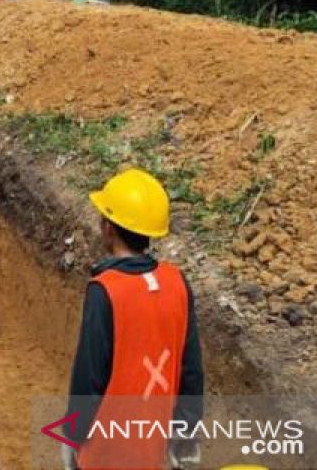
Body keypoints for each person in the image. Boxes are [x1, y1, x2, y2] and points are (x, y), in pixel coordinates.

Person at [62, 168, 204, 470]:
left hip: (107, 450)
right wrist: (187, 429)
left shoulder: (105, 291)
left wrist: (73, 434)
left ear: (108, 227)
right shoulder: (177, 282)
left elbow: (89, 376)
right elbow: (190, 367)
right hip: (154, 445)